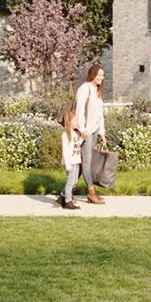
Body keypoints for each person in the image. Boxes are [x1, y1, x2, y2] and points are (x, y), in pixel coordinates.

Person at [73, 63, 107, 205]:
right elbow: (79, 109)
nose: (101, 77)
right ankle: (91, 192)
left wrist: (102, 132)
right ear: (92, 74)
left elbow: (100, 115)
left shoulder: (97, 91)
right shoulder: (84, 88)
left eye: (102, 75)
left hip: (93, 131)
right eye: (99, 75)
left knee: (83, 163)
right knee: (86, 163)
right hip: (85, 132)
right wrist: (82, 129)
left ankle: (65, 193)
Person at [58, 103, 83, 210]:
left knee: (74, 181)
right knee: (70, 182)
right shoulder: (65, 135)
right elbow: (65, 151)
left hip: (76, 161)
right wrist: (68, 164)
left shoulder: (75, 134)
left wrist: (83, 137)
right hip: (70, 162)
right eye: (75, 121)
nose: (77, 123)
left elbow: (77, 144)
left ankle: (62, 197)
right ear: (69, 122)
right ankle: (67, 201)